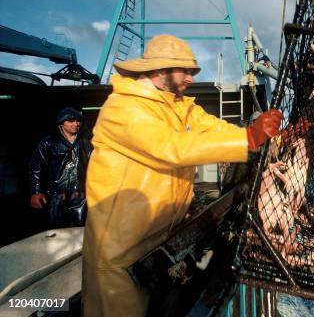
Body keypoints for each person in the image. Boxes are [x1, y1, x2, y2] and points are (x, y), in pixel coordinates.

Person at [81, 34, 282, 316]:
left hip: (158, 244)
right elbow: (171, 148)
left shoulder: (179, 107)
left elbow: (213, 128)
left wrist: (258, 133)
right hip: (118, 254)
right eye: (185, 71)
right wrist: (246, 140)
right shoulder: (123, 109)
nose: (191, 78)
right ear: (160, 69)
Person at [29, 106, 92, 227]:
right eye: (71, 121)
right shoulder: (49, 142)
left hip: (80, 195)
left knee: (80, 230)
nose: (76, 124)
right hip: (55, 196)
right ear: (62, 123)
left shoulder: (87, 141)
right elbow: (36, 167)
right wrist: (36, 192)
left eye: (78, 121)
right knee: (55, 230)